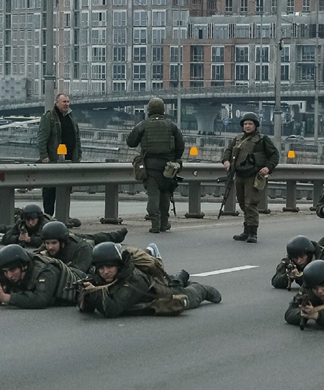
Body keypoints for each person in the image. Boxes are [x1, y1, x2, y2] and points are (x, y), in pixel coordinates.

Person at [77, 242, 220, 318]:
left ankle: (201, 288)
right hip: (147, 286)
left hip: (157, 292)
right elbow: (88, 309)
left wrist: (94, 293)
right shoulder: (99, 277)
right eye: (101, 268)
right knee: (173, 281)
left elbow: (113, 310)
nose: (105, 272)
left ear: (119, 266)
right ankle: (179, 277)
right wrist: (86, 291)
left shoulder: (133, 281)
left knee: (189, 295)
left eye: (110, 267)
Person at [126, 97, 184, 234]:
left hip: (150, 166)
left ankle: (155, 224)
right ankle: (164, 223)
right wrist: (175, 159)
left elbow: (131, 142)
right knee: (165, 194)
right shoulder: (171, 126)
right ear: (163, 110)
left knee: (153, 194)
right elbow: (180, 146)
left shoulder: (143, 125)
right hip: (168, 167)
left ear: (149, 110)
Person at [220, 112, 279, 243]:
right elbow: (228, 151)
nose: (247, 126)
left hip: (253, 175)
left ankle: (253, 232)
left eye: (250, 124)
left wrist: (268, 168)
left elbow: (274, 155)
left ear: (255, 125)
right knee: (242, 203)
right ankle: (246, 231)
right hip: (239, 174)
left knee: (250, 203)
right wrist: (226, 161)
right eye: (245, 124)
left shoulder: (262, 140)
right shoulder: (238, 139)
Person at [0, 244, 85, 309]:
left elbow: (40, 299)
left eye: (12, 270)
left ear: (24, 266)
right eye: (5, 271)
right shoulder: (10, 274)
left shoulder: (46, 270)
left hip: (79, 284)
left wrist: (6, 297)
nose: (9, 275)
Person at [37, 93, 82, 216]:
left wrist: (78, 155)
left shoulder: (71, 117)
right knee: (50, 190)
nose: (67, 104)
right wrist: (44, 156)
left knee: (65, 188)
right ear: (57, 103)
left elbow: (76, 137)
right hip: (53, 160)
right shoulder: (49, 117)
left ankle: (63, 216)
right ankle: (48, 216)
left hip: (68, 160)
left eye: (68, 101)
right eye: (64, 102)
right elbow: (42, 138)